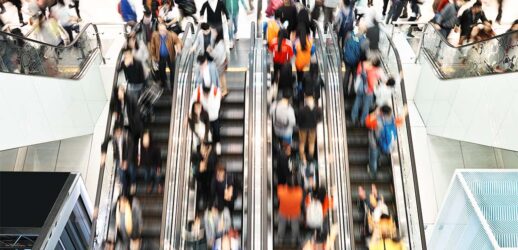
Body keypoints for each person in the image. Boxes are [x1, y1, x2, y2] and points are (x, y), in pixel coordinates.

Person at [365, 105, 408, 177]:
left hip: (374, 143)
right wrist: (404, 113)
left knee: (373, 158)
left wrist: (375, 112)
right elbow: (401, 121)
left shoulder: (377, 121)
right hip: (385, 144)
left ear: (381, 112)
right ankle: (378, 161)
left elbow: (367, 122)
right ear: (389, 112)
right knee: (379, 153)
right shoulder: (393, 120)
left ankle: (373, 171)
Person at [189, 75, 222, 154]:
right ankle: (202, 147)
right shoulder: (198, 91)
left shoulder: (215, 91)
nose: (206, 96)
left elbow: (217, 104)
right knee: (202, 131)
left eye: (208, 94)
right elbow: (192, 102)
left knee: (216, 130)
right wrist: (191, 112)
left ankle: (216, 143)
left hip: (213, 115)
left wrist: (211, 114)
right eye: (205, 94)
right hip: (202, 115)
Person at [101, 123, 136, 195]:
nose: (118, 135)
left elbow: (131, 150)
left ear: (122, 131)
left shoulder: (127, 137)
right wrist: (104, 154)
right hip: (118, 158)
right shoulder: (113, 137)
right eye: (116, 133)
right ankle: (125, 188)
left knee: (131, 170)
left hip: (127, 158)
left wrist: (126, 162)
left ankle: (133, 183)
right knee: (121, 174)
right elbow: (104, 144)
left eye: (119, 132)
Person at [351, 57, 385, 126]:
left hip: (360, 88)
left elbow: (358, 73)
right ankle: (362, 121)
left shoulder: (362, 64)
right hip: (370, 90)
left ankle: (354, 118)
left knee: (357, 103)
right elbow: (384, 80)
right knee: (366, 106)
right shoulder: (378, 70)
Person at [150, 23, 183, 90]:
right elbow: (152, 46)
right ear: (158, 31)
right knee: (161, 70)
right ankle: (163, 83)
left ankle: (173, 85)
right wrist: (153, 56)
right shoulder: (155, 35)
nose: (163, 32)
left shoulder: (171, 34)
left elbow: (178, 41)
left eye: (164, 30)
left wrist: (178, 47)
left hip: (170, 55)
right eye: (161, 30)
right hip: (160, 56)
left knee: (173, 71)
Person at [297, 88, 322, 164]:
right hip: (312, 128)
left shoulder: (302, 109)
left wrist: (300, 125)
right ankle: (310, 157)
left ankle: (302, 158)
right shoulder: (318, 109)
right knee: (311, 143)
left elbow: (298, 120)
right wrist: (315, 122)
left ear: (306, 98)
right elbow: (320, 119)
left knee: (302, 143)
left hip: (303, 128)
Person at [277, 175, 303, 244]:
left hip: (283, 211)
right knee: (295, 226)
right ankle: (294, 239)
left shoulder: (280, 190)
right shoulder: (299, 192)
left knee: (281, 225)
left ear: (286, 184)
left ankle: (280, 239)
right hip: (295, 213)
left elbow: (279, 197)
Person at [191, 140, 217, 207]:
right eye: (202, 147)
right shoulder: (195, 155)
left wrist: (207, 157)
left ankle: (208, 205)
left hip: (209, 179)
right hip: (199, 180)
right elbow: (197, 168)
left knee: (209, 195)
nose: (202, 150)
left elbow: (211, 166)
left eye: (204, 148)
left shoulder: (212, 155)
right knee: (199, 195)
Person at [208, 25, 228, 96]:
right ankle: (223, 90)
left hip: (220, 62)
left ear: (218, 33)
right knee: (222, 77)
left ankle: (223, 90)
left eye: (214, 31)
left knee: (220, 77)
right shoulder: (220, 41)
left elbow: (216, 56)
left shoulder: (219, 44)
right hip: (222, 61)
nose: (212, 33)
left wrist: (210, 51)